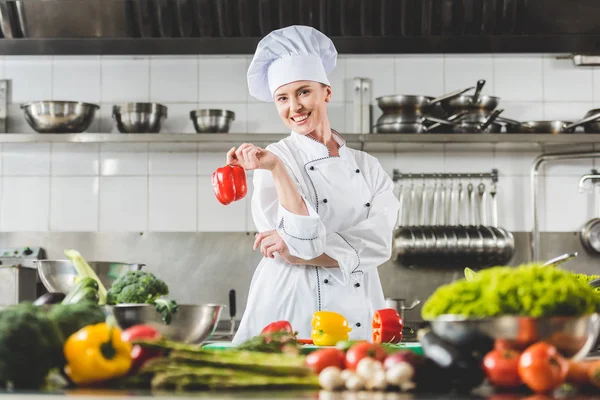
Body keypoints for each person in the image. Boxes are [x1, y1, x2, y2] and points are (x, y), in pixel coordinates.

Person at [229, 25, 401, 344]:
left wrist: (303, 251)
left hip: (360, 310)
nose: (294, 107)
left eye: (304, 92)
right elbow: (297, 244)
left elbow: (379, 244)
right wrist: (277, 169)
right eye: (283, 97)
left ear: (326, 93)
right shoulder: (273, 159)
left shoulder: (368, 166)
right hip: (291, 304)